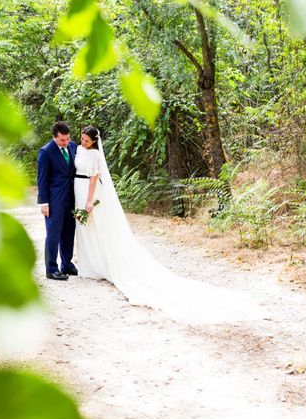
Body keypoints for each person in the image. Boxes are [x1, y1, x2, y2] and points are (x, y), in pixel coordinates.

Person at [74, 126, 265, 324]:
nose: (83, 142)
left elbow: (95, 178)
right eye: (82, 139)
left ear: (94, 142)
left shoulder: (96, 155)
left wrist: (89, 200)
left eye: (87, 141)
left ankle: (99, 264)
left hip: (89, 192)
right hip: (76, 188)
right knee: (83, 228)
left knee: (95, 226)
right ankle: (88, 263)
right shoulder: (78, 149)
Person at [37, 121, 79, 280]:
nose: (66, 142)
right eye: (63, 140)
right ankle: (51, 269)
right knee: (53, 233)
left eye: (68, 138)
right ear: (54, 137)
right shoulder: (46, 152)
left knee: (69, 230)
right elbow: (42, 179)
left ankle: (66, 264)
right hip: (54, 199)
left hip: (72, 197)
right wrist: (44, 203)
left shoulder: (73, 146)